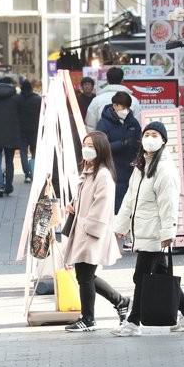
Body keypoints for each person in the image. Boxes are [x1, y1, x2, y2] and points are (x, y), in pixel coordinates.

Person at [113, 121, 184, 336]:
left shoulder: (164, 169)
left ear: (163, 141)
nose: (149, 139)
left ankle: (133, 323)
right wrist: (121, 225)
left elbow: (169, 204)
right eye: (147, 134)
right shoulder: (141, 166)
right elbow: (130, 198)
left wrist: (168, 233)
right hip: (145, 231)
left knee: (142, 277)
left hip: (155, 233)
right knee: (158, 276)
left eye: (154, 135)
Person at [61, 131, 130, 332]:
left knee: (85, 275)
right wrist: (73, 205)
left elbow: (101, 206)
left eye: (91, 145)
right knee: (85, 275)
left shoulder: (103, 175)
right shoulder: (90, 171)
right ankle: (120, 301)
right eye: (85, 145)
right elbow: (85, 199)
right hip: (85, 230)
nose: (86, 149)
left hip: (92, 232)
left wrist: (88, 228)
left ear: (101, 149)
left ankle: (89, 319)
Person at [18, 79, 42, 184]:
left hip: (21, 130)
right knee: (34, 152)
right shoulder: (37, 99)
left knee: (23, 152)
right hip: (35, 130)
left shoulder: (17, 99)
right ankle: (33, 172)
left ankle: (27, 174)